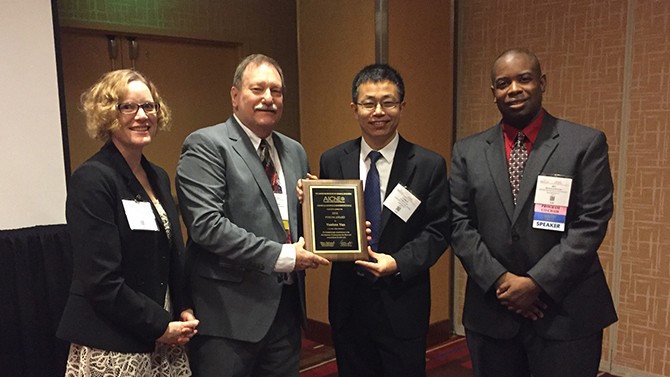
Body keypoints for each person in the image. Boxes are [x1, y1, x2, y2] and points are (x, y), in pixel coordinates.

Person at [449, 48, 618, 377]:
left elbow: (592, 221)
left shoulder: (583, 143)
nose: (514, 88)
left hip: (566, 312)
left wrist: (536, 283)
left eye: (524, 79)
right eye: (503, 82)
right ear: (493, 92)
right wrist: (502, 280)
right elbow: (458, 224)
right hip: (492, 312)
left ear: (542, 82)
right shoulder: (467, 151)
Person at [176, 54, 330, 377]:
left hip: (285, 313)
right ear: (235, 96)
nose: (268, 99)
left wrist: (320, 212)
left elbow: (287, 221)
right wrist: (284, 256)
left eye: (276, 91)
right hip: (228, 318)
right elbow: (207, 226)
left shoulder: (294, 151)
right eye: (257, 89)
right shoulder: (207, 144)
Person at [57, 69, 199, 376]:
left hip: (163, 336)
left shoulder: (158, 176)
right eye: (128, 107)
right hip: (114, 341)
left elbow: (172, 251)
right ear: (108, 114)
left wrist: (184, 306)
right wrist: (160, 325)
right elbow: (101, 281)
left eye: (149, 106)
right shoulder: (92, 180)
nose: (142, 115)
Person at [316, 64, 450, 377]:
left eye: (388, 102)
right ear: (354, 108)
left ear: (402, 106)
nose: (379, 111)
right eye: (368, 103)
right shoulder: (333, 160)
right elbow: (327, 224)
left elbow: (439, 230)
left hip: (402, 300)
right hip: (348, 301)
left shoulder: (428, 164)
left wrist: (397, 262)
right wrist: (307, 202)